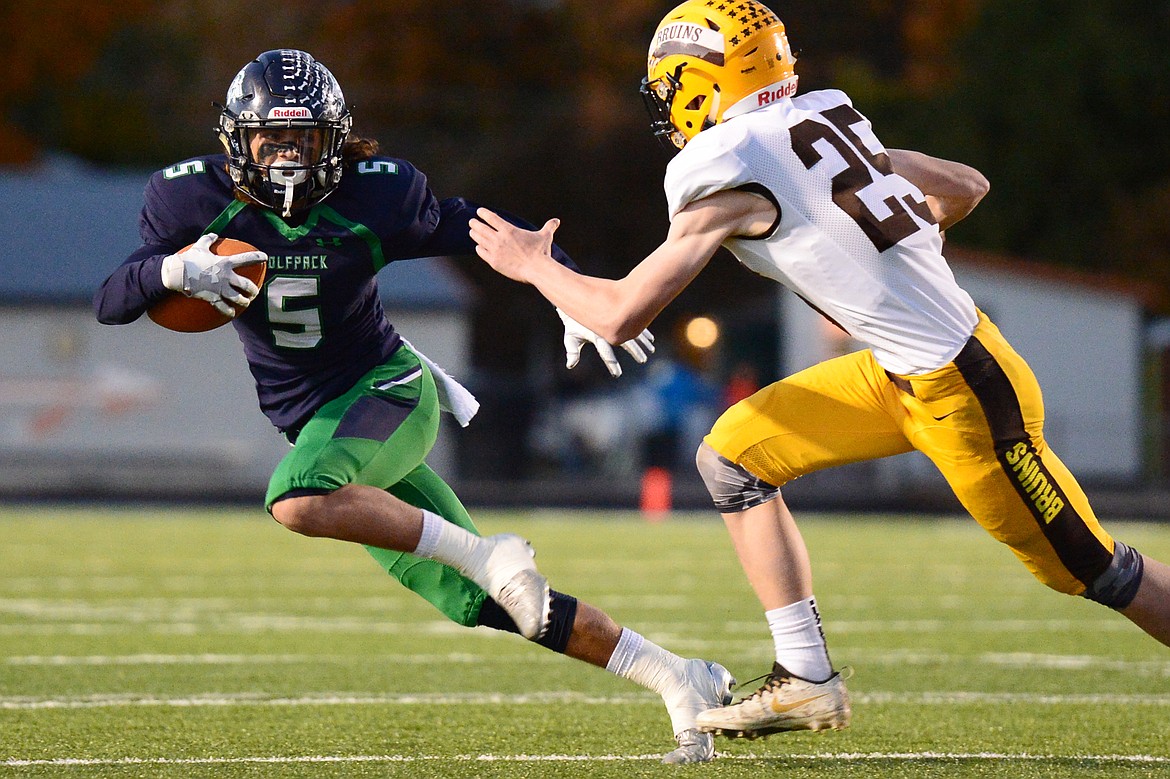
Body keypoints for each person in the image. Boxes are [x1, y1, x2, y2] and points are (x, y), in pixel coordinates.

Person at [469, 0, 1170, 741]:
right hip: (899, 374)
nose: (669, 105)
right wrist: (881, 259)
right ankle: (806, 677)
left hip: (963, 388)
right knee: (734, 455)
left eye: (671, 86)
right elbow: (967, 187)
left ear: (699, 83)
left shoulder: (727, 166)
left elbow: (619, 314)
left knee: (1095, 569)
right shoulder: (830, 123)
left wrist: (534, 266)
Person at [93, 48, 736, 764]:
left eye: (302, 141)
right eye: (269, 140)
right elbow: (112, 299)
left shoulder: (377, 194)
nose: (285, 158)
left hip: (387, 393)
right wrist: (171, 268)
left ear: (333, 142)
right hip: (321, 427)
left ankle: (491, 555)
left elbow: (479, 227)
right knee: (491, 603)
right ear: (234, 142)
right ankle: (680, 677)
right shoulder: (188, 200)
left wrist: (567, 286)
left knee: (297, 499)